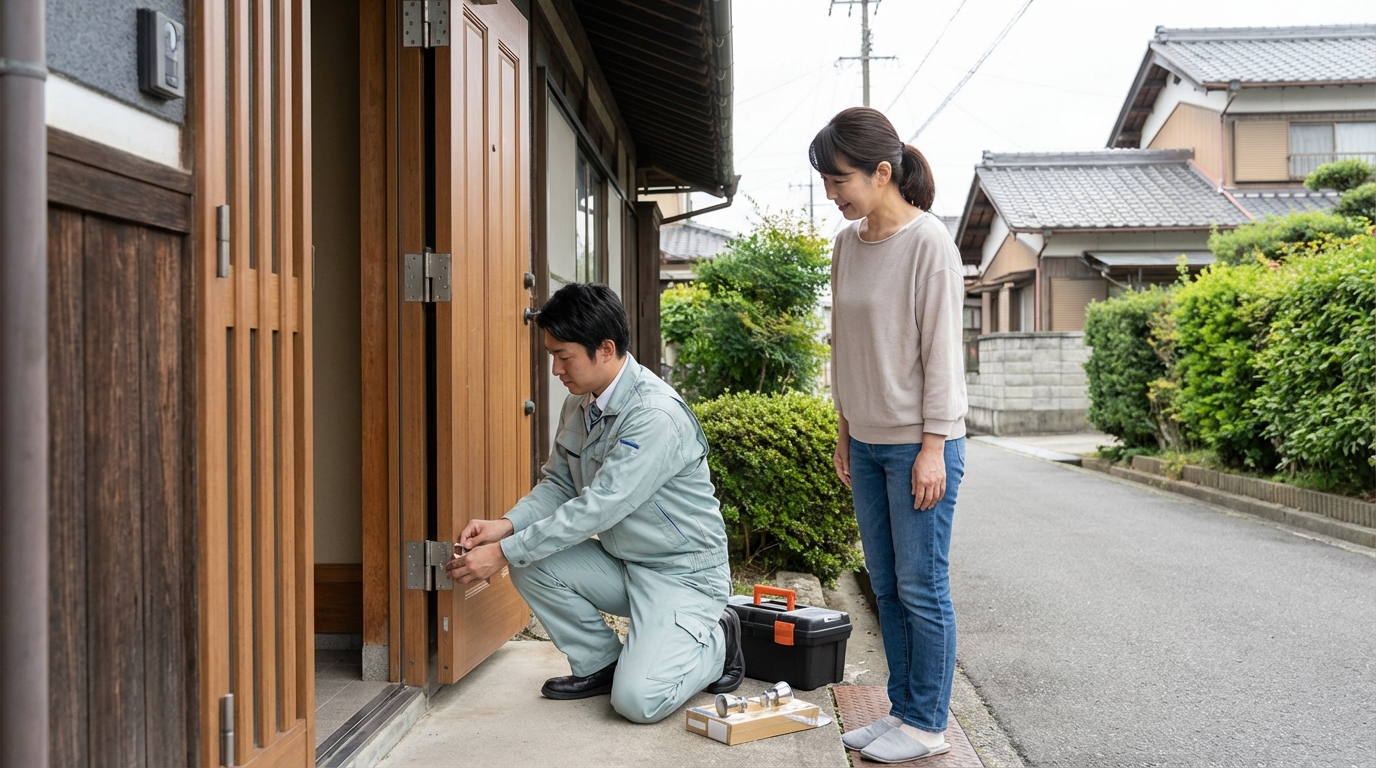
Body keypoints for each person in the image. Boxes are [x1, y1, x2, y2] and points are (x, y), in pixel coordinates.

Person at [445, 282, 744, 724]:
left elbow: (598, 507)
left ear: (605, 349)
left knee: (638, 703)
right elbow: (560, 486)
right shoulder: (579, 405)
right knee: (532, 558)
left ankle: (718, 638)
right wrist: (505, 527)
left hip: (681, 577)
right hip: (625, 564)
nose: (555, 370)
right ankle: (601, 663)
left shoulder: (654, 415)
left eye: (563, 356)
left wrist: (503, 553)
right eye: (552, 356)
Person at [812, 107, 969, 763]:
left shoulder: (930, 243)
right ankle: (903, 712)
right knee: (886, 583)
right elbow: (844, 344)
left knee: (922, 586)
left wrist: (933, 447)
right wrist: (846, 428)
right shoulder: (847, 245)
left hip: (919, 445)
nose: (832, 194)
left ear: (882, 172)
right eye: (825, 181)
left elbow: (941, 355)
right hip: (869, 443)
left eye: (839, 179)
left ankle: (928, 724)